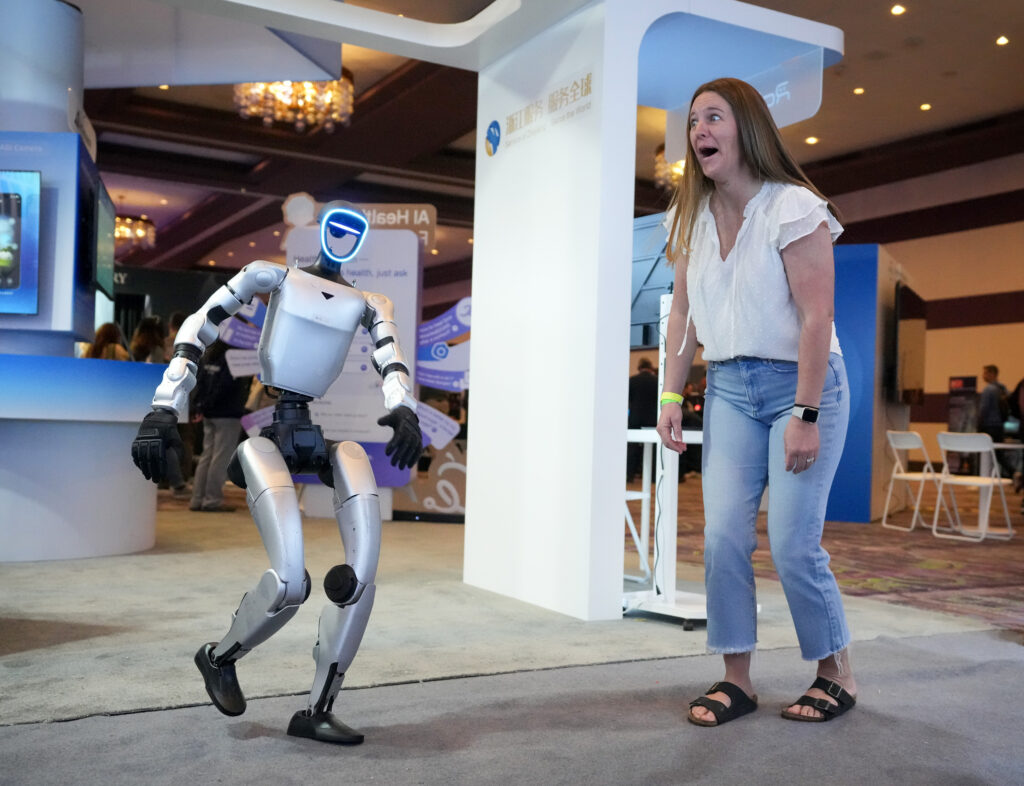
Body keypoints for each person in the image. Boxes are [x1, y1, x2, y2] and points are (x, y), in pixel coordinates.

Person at [655, 77, 855, 726]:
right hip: (732, 390)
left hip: (804, 384)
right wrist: (670, 390)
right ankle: (736, 678)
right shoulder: (688, 217)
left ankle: (835, 672)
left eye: (713, 117)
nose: (699, 131)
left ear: (747, 128)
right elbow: (682, 314)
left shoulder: (793, 207)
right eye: (692, 122)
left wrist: (804, 414)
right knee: (721, 539)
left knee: (793, 542)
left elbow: (816, 317)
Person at [188, 340, 249, 512]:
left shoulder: (209, 354)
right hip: (227, 413)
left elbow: (200, 382)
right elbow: (226, 386)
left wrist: (201, 406)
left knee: (207, 455)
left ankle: (197, 499)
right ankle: (212, 500)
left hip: (209, 413)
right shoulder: (234, 357)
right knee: (220, 458)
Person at [626, 356, 659, 481]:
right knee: (654, 448)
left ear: (639, 368)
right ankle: (653, 476)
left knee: (632, 448)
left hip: (635, 418)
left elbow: (627, 400)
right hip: (652, 419)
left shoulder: (632, 380)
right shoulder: (658, 381)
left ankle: (629, 475)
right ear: (651, 367)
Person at [978, 364, 1011, 476]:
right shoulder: (1003, 389)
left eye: (985, 373)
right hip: (1000, 426)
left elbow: (984, 409)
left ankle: (983, 476)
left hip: (988, 426)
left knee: (984, 453)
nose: (983, 376)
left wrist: (979, 425)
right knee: (998, 454)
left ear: (992, 374)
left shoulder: (988, 390)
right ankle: (1014, 473)